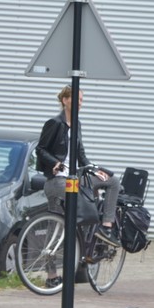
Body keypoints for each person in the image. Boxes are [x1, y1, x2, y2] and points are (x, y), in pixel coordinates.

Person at [36, 85, 123, 247]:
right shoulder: (55, 123)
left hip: (75, 178)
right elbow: (40, 149)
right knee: (67, 219)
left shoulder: (77, 124)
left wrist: (94, 170)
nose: (80, 103)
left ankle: (106, 227)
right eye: (77, 99)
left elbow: (80, 154)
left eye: (82, 100)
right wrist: (55, 163)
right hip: (59, 181)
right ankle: (57, 259)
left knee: (112, 181)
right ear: (65, 100)